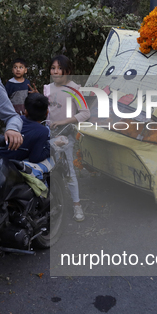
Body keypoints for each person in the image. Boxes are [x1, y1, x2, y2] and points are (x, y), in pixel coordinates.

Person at [42, 55, 90, 222]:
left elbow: (85, 113)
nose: (55, 71)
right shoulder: (47, 88)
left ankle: (77, 206)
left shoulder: (75, 89)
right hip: (48, 136)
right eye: (53, 68)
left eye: (59, 68)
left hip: (65, 136)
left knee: (69, 171)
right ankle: (50, 205)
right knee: (48, 170)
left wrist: (64, 121)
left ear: (68, 71)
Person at [0, 93, 50, 163]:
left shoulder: (18, 119)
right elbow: (35, 158)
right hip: (9, 164)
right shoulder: (43, 131)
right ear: (47, 112)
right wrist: (51, 147)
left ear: (25, 112)